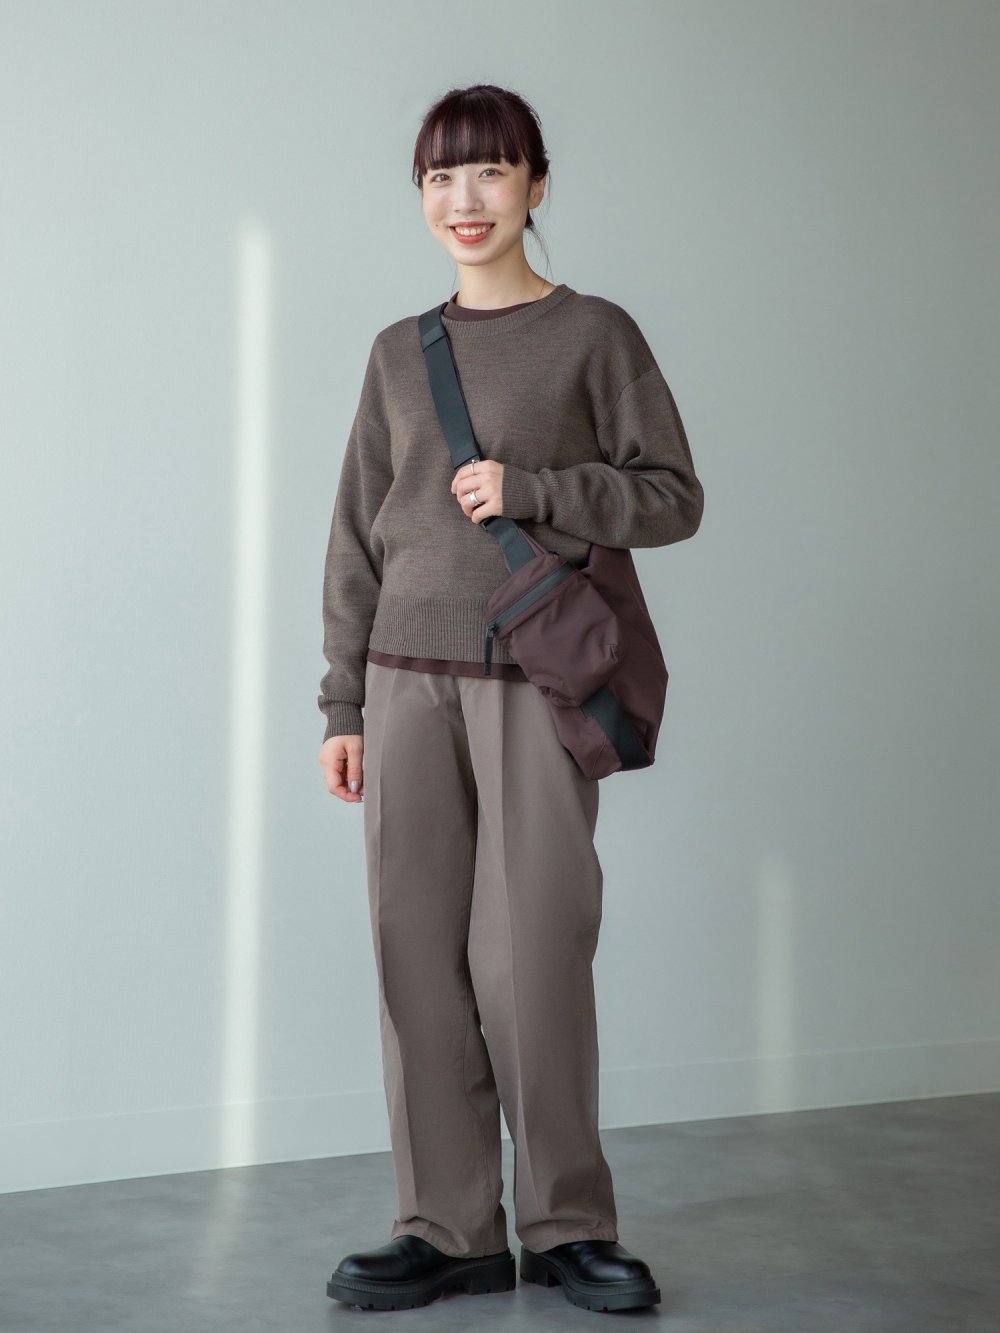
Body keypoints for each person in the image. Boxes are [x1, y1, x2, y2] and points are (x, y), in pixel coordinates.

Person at [317, 83, 703, 1314]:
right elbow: (355, 536)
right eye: (440, 177)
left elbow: (671, 495)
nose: (463, 199)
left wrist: (534, 488)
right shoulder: (397, 352)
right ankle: (448, 1228)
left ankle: (569, 1225)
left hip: (532, 679)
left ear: (537, 184)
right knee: (414, 954)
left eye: (488, 171)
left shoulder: (595, 334)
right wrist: (341, 704)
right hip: (402, 678)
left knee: (530, 953)